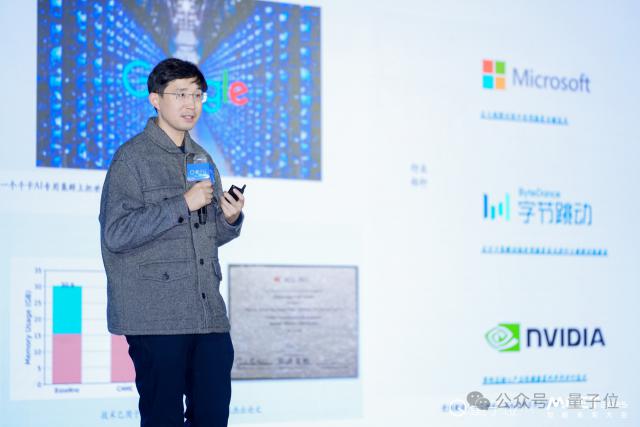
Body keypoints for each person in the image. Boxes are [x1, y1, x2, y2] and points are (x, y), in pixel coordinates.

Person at [99, 57, 245, 427]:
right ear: (155, 99)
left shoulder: (201, 158)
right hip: (156, 317)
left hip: (207, 315)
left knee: (213, 416)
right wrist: (182, 203)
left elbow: (204, 234)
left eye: (197, 95)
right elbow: (116, 233)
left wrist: (229, 219)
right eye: (180, 94)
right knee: (162, 418)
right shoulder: (132, 158)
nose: (191, 103)